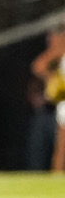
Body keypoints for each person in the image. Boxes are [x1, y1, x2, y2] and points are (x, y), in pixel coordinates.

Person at [31, 27, 65, 172]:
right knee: (62, 146)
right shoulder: (61, 53)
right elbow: (38, 66)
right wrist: (52, 78)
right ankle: (57, 179)